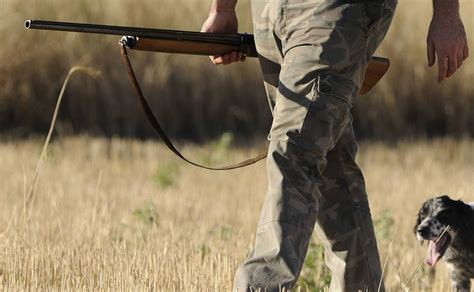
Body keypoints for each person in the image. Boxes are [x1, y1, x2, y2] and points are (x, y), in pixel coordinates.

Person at [201, 0, 469, 291]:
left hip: (334, 11)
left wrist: (446, 14)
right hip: (270, 10)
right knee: (332, 169)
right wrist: (223, 8)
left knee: (294, 154)